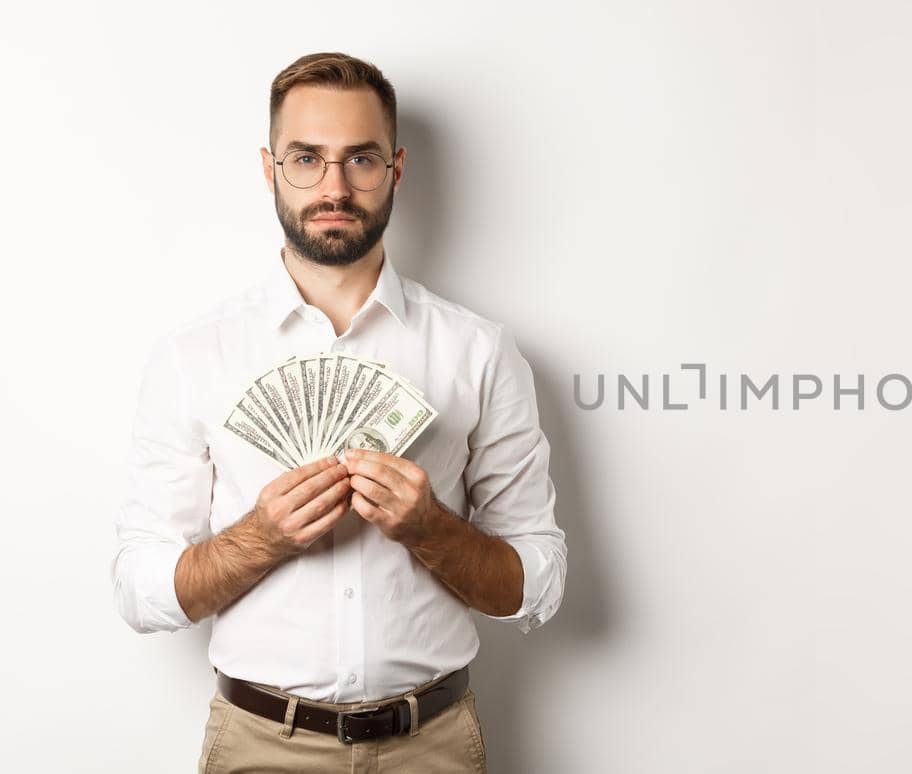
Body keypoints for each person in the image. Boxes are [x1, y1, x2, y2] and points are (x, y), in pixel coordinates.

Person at [110, 51, 568, 773]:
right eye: (306, 158)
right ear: (269, 168)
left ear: (396, 168)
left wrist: (431, 530)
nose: (334, 186)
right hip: (259, 745)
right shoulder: (191, 356)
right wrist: (258, 538)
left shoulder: (480, 351)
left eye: (361, 159)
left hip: (435, 746)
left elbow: (537, 583)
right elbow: (139, 589)